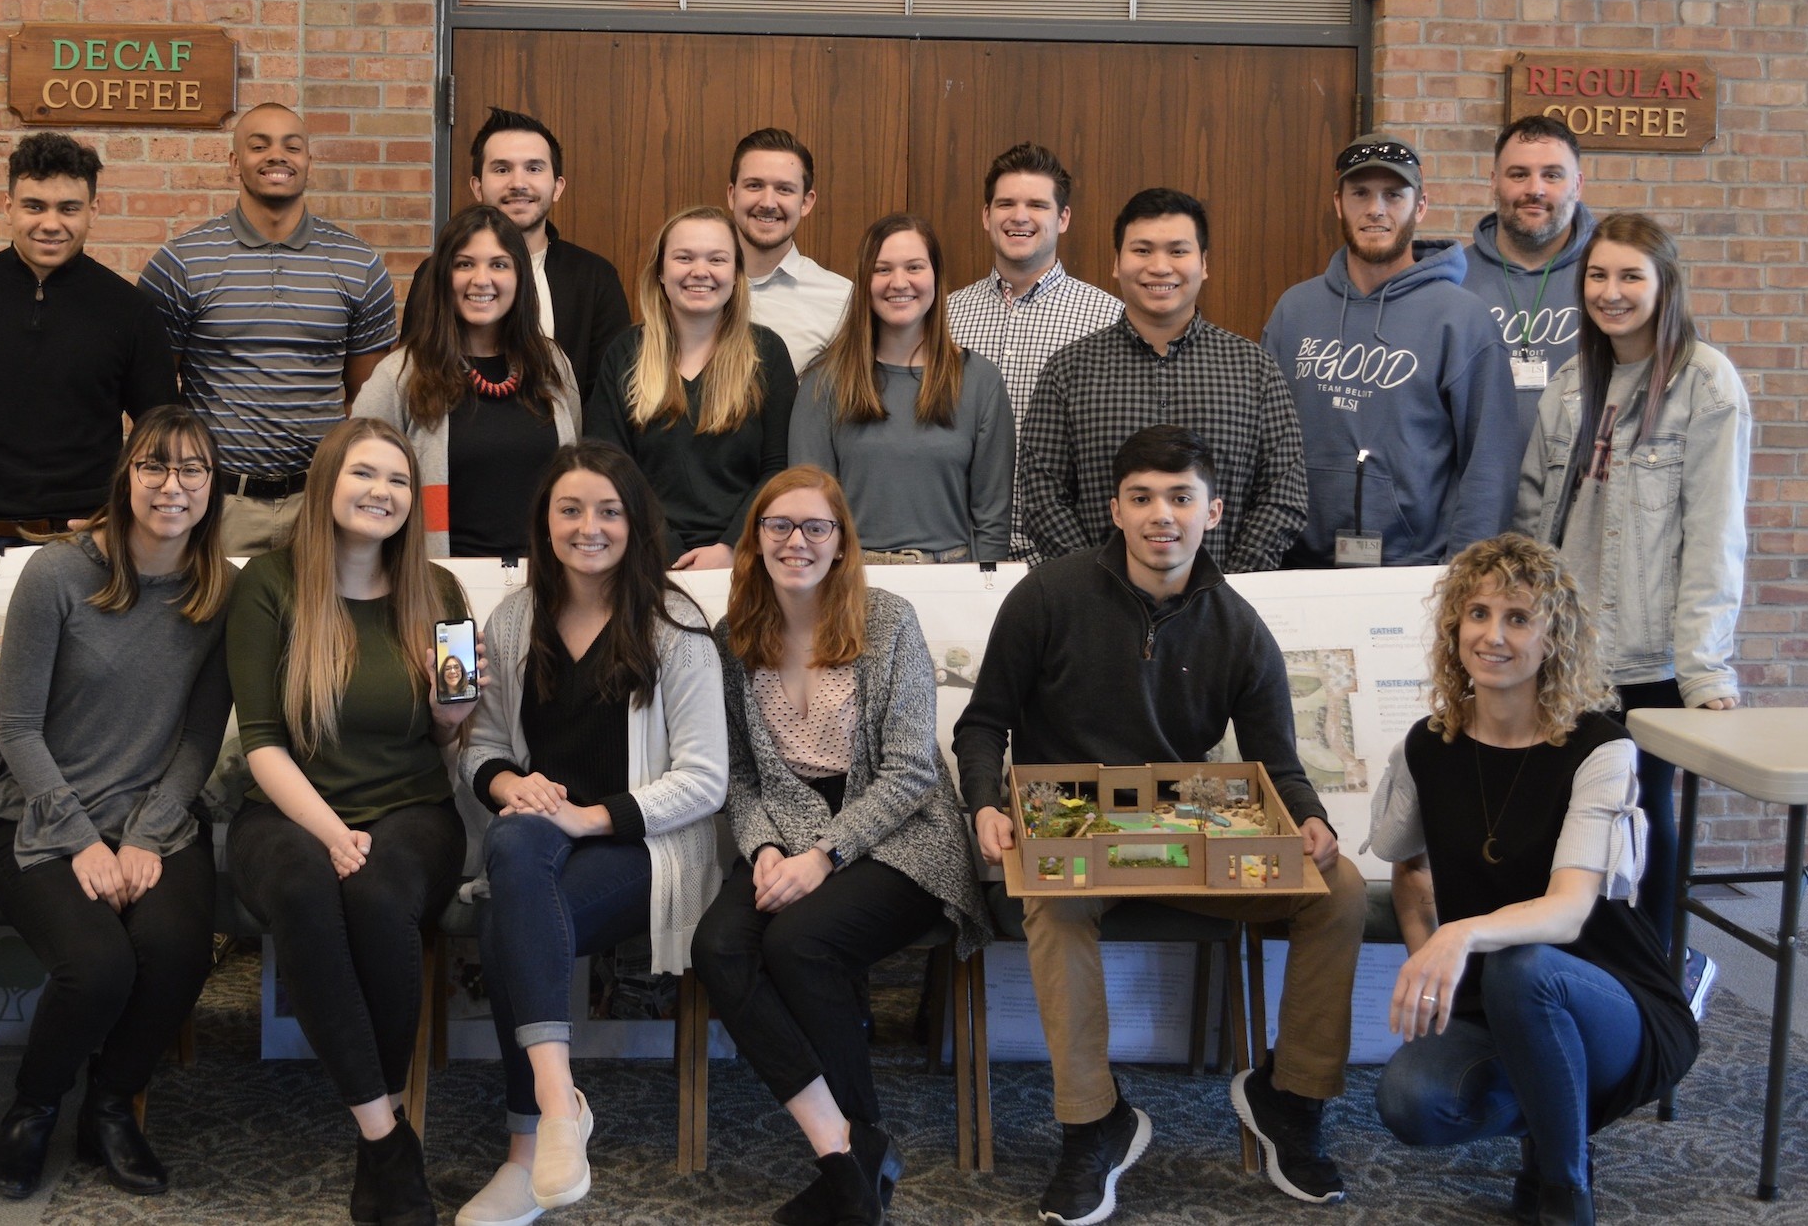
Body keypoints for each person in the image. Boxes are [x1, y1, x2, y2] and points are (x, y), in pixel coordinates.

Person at [957, 425, 1365, 1224]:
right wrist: (984, 802)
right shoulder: (1046, 594)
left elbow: (1277, 761)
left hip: (1187, 836)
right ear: (1115, 508)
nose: (1161, 515)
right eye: (1141, 497)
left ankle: (1291, 1098)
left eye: (1180, 498)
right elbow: (984, 723)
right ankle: (1092, 1122)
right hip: (1068, 834)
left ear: (1213, 510)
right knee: (1054, 901)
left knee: (1339, 889)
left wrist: (1310, 819)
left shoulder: (1239, 626)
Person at [1369, 533, 1700, 1226]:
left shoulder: (1600, 747)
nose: (1493, 635)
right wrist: (1423, 952)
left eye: (1519, 618)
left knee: (1525, 967)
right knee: (1411, 1099)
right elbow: (1405, 866)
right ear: (1455, 627)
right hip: (1493, 1003)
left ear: (1554, 638)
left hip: (1610, 997)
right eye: (1479, 613)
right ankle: (1555, 1116)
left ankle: (1563, 1189)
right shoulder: (1427, 746)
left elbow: (1569, 910)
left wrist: (1456, 933)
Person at [692, 466, 988, 1226]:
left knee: (801, 942)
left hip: (902, 833)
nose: (797, 541)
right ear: (754, 540)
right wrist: (760, 848)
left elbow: (911, 769)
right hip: (784, 832)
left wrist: (822, 855)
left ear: (840, 540)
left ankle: (850, 1158)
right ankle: (851, 1150)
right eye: (779, 526)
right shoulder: (734, 636)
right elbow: (743, 774)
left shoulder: (888, 619)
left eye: (815, 526)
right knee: (720, 944)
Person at [453, 441, 728, 1226]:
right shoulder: (513, 619)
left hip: (647, 847)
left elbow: (706, 779)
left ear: (635, 521)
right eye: (570, 508)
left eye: (608, 509)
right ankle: (556, 1106)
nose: (589, 526)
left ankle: (529, 1140)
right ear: (545, 521)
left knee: (509, 906)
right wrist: (515, 785)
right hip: (543, 842)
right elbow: (480, 746)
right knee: (512, 853)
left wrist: (588, 815)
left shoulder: (675, 622)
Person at [0, 405, 237, 1200]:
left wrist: (148, 835)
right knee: (97, 964)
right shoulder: (58, 572)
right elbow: (16, 725)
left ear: (213, 487)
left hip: (154, 815)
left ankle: (113, 1107)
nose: (173, 485)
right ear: (126, 477)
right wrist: (82, 837)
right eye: (155, 466)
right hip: (37, 813)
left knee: (179, 950)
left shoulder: (220, 591)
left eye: (193, 469)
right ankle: (35, 1107)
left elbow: (199, 738)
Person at [226, 417, 475, 1226]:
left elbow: (449, 735)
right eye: (365, 474)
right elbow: (261, 743)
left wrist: (454, 711)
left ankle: (380, 1136)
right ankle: (385, 1135)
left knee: (376, 895)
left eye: (399, 480)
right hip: (287, 809)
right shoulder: (267, 583)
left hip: (412, 811)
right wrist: (333, 833)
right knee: (304, 887)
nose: (383, 492)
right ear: (328, 484)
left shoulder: (439, 590)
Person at [1516, 212, 1749, 1010]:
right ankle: (1596, 980)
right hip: (1571, 653)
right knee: (1571, 820)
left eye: (1630, 277)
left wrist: (1706, 666)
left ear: (1664, 286)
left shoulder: (1705, 382)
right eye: (1598, 276)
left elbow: (1716, 531)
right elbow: (1533, 517)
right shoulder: (1571, 385)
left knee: (1644, 822)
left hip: (1654, 656)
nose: (1611, 293)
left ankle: (1658, 982)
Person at [0, 132, 180, 550]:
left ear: (93, 209)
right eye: (34, 206)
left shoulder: (130, 311)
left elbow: (162, 429)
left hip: (91, 541)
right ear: (8, 207)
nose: (51, 223)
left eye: (68, 208)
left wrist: (127, 510)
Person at [139, 102, 399, 555]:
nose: (277, 156)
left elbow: (365, 401)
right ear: (234, 163)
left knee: (318, 626)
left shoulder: (359, 265)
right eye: (259, 146)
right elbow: (159, 401)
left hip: (320, 502)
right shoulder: (181, 262)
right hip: (217, 505)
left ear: (308, 163)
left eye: (292, 146)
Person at [1262, 133, 1522, 568]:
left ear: (1420, 205)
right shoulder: (1296, 310)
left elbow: (1489, 467)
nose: (1375, 209)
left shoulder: (1461, 319)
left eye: (1393, 195)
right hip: (1297, 570)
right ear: (1337, 203)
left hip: (1413, 572)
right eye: (1360, 193)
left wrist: (1462, 575)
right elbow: (1262, 442)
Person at [1015, 188, 1304, 572]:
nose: (1160, 267)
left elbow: (1285, 494)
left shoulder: (1255, 370)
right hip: (1101, 609)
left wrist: (1225, 588)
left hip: (1226, 605)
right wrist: (1100, 583)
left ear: (1203, 263)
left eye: (1178, 251)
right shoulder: (1068, 371)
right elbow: (1042, 496)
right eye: (1143, 250)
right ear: (1117, 263)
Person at [352, 204, 580, 558]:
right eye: (465, 264)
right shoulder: (401, 375)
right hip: (441, 582)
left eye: (499, 264)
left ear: (520, 277)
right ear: (444, 276)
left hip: (548, 582)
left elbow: (574, 467)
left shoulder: (552, 366)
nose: (481, 279)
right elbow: (356, 481)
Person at [791, 214, 1012, 563]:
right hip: (851, 580)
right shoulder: (823, 382)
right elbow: (809, 509)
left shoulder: (980, 381)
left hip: (951, 582)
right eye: (882, 269)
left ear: (936, 277)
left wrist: (985, 591)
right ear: (864, 281)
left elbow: (992, 518)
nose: (899, 282)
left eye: (914, 267)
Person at [586, 206, 797, 569]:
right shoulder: (625, 353)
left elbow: (779, 469)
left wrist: (731, 547)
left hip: (747, 561)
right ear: (661, 273)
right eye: (684, 257)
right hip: (642, 559)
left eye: (717, 259)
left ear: (736, 275)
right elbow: (609, 468)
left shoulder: (767, 353)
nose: (700, 271)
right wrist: (666, 549)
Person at [944, 142, 1123, 564]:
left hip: (1068, 560)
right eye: (1005, 203)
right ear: (987, 215)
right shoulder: (943, 318)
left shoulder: (1109, 319)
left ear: (1063, 218)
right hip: (957, 557)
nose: (1019, 216)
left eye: (1037, 204)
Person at [421, 107, 630, 401]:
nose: (518, 183)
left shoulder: (595, 277)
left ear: (557, 187)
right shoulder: (438, 273)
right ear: (477, 187)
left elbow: (607, 396)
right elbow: (418, 378)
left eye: (533, 168)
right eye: (502, 169)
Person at [1467, 116, 1596, 432]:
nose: (1535, 189)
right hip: (1479, 480)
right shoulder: (1454, 280)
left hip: (1585, 480)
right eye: (1519, 174)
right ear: (1494, 182)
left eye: (1552, 175)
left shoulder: (1612, 281)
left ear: (1577, 185)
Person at [727, 127, 854, 374]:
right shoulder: (694, 288)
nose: (767, 203)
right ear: (732, 195)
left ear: (806, 202)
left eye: (784, 189)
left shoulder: (841, 301)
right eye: (754, 185)